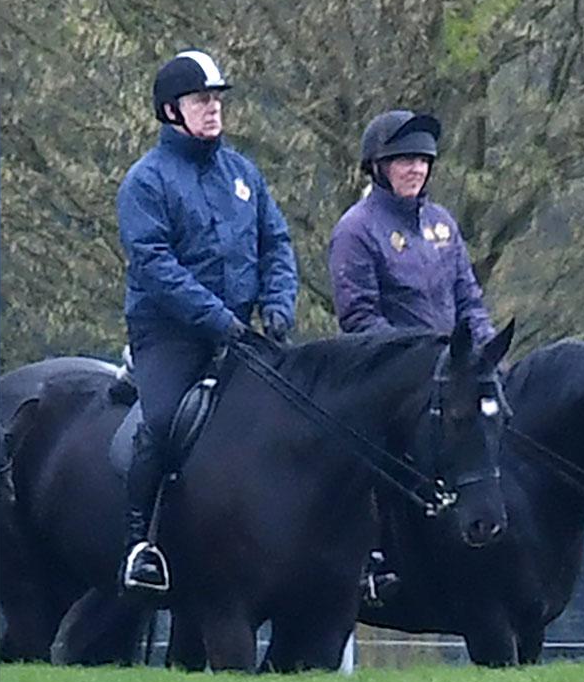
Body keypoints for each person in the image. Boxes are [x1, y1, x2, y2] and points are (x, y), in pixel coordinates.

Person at [116, 50, 297, 593]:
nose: (213, 109)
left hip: (242, 330)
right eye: (202, 100)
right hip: (171, 334)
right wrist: (216, 319)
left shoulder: (244, 173)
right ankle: (140, 545)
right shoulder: (146, 182)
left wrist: (280, 303)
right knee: (165, 422)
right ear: (172, 110)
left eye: (217, 99)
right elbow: (155, 265)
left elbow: (276, 242)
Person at [327, 109, 497, 602]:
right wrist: (417, 366)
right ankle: (371, 559)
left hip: (453, 373)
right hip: (391, 379)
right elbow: (359, 317)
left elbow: (469, 298)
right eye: (403, 161)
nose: (415, 170)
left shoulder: (443, 224)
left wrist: (484, 355)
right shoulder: (357, 230)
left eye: (422, 161)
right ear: (378, 167)